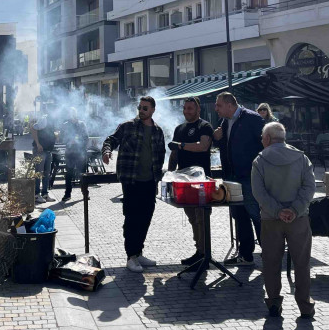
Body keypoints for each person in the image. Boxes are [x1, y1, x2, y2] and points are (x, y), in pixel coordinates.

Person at [252, 122, 316, 319]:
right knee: (302, 263)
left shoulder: (259, 160)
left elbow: (258, 192)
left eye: (263, 137)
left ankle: (273, 303)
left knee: (271, 263)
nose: (262, 141)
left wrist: (278, 211)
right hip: (298, 219)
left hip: (271, 219)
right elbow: (309, 187)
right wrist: (294, 210)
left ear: (269, 139)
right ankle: (305, 306)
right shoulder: (301, 157)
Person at [102, 95, 166, 273]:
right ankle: (130, 256)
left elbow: (161, 153)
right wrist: (107, 152)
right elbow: (111, 140)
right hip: (131, 180)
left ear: (153, 110)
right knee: (131, 218)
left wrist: (160, 175)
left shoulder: (158, 131)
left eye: (145, 108)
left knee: (146, 217)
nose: (141, 111)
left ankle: (138, 252)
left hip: (150, 181)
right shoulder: (127, 126)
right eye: (140, 107)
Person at [212, 92, 265, 266]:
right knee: (239, 215)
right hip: (231, 176)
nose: (216, 109)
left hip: (249, 176)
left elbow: (264, 143)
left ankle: (269, 253)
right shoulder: (225, 121)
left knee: (256, 214)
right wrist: (218, 140)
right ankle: (246, 255)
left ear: (229, 104)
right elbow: (226, 146)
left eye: (219, 105)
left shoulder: (252, 118)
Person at [167, 97, 215, 266]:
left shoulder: (205, 126)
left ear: (198, 109)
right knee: (192, 217)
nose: (187, 111)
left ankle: (205, 255)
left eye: (190, 108)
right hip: (183, 182)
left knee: (202, 217)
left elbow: (202, 146)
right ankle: (199, 251)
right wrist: (170, 173)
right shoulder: (179, 128)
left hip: (201, 181)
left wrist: (180, 145)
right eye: (185, 108)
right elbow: (174, 153)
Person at [60, 109, 89, 201]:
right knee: (69, 174)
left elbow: (86, 137)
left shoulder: (81, 124)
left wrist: (79, 142)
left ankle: (85, 193)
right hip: (70, 152)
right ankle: (67, 194)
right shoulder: (65, 125)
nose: (72, 115)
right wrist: (69, 141)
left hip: (80, 152)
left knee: (83, 174)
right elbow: (61, 138)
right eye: (70, 113)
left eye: (73, 113)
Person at [32, 107, 57, 203]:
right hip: (40, 150)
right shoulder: (44, 119)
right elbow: (33, 128)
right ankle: (36, 194)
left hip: (48, 150)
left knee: (46, 173)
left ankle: (45, 194)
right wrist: (38, 143)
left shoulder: (53, 122)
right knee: (39, 172)